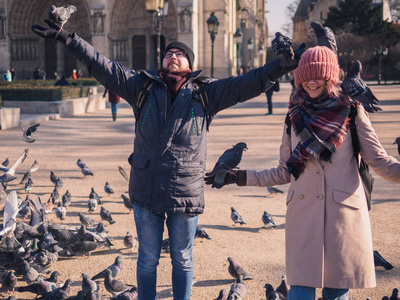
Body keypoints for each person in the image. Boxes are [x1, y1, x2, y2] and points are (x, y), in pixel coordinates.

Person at [32, 19, 303, 300]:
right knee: (147, 259)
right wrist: (69, 39)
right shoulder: (142, 87)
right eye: (169, 53)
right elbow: (103, 67)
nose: (173, 56)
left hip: (185, 191)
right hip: (146, 187)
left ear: (190, 64)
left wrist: (281, 65)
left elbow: (248, 83)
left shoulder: (205, 93)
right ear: (162, 61)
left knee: (183, 259)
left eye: (180, 54)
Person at [205, 46, 400, 300]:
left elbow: (379, 160)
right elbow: (284, 171)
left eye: (317, 75)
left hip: (341, 218)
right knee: (299, 293)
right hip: (302, 216)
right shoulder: (294, 115)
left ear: (331, 77)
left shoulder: (352, 110)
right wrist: (237, 176)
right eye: (305, 77)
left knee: (336, 294)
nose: (310, 82)